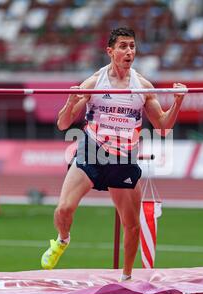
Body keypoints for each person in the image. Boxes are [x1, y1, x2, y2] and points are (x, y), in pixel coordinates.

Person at [41, 27, 186, 281]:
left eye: (132, 46)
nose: (129, 51)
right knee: (63, 209)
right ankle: (62, 240)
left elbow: (163, 128)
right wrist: (69, 101)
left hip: (124, 158)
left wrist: (177, 102)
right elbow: (63, 125)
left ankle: (127, 278)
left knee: (131, 226)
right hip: (92, 151)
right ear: (110, 51)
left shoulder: (142, 87)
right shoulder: (95, 82)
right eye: (123, 46)